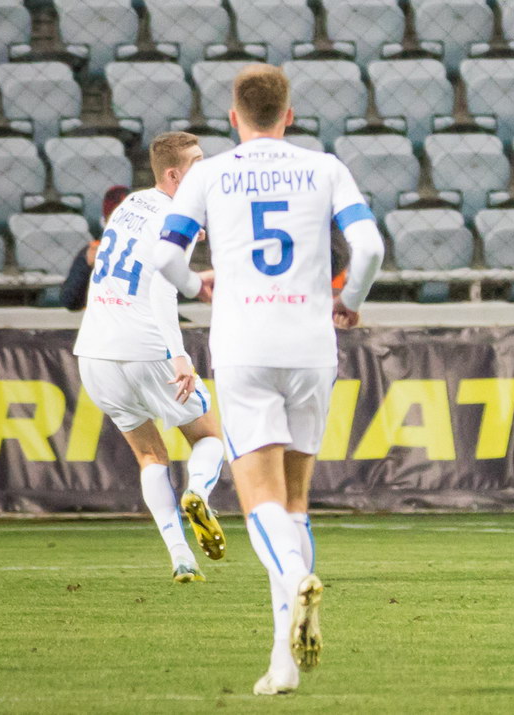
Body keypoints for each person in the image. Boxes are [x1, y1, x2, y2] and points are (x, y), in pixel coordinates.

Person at [153, 64, 384, 697]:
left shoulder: (210, 173)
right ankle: (283, 661)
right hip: (311, 347)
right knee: (295, 503)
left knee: (260, 502)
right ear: (289, 115)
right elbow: (369, 248)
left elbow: (166, 254)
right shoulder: (325, 167)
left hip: (245, 348)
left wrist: (195, 285)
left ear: (234, 118)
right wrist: (349, 302)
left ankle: (294, 581)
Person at [73, 132, 227, 584]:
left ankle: (181, 558)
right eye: (197, 163)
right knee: (209, 438)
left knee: (150, 455)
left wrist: (192, 268)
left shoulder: (130, 204)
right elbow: (161, 286)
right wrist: (179, 356)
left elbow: (140, 260)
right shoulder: (179, 217)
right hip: (146, 346)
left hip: (95, 352)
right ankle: (198, 493)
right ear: (174, 175)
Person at [59, 185, 130, 310]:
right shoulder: (94, 250)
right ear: (106, 221)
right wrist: (87, 267)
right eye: (117, 218)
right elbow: (70, 301)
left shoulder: (150, 250)